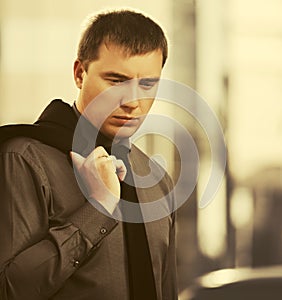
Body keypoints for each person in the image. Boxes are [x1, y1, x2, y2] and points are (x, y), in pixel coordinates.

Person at [0, 10, 177, 300]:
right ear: (80, 74)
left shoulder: (157, 181)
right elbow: (7, 290)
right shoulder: (22, 159)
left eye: (147, 85)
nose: (132, 102)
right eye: (116, 81)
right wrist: (99, 209)